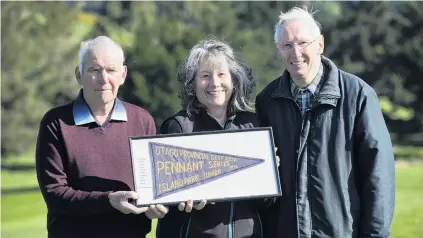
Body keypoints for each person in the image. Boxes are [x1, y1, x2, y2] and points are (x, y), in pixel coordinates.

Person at [255, 6, 396, 238]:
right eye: (287, 45)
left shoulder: (358, 95)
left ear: (320, 44)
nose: (296, 53)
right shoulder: (266, 101)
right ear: (278, 50)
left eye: (303, 43)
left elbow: (378, 176)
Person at [35, 36, 168, 238]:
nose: (103, 78)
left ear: (123, 75)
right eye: (94, 70)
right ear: (79, 75)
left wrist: (154, 206)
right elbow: (55, 194)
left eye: (111, 70)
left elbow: (153, 186)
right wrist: (108, 201)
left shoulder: (142, 120)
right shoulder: (56, 122)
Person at [156, 37, 270, 238]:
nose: (214, 83)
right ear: (192, 83)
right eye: (205, 75)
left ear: (233, 80)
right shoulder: (179, 127)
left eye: (221, 74)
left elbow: (266, 202)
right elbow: (163, 199)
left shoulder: (253, 126)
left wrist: (271, 174)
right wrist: (182, 199)